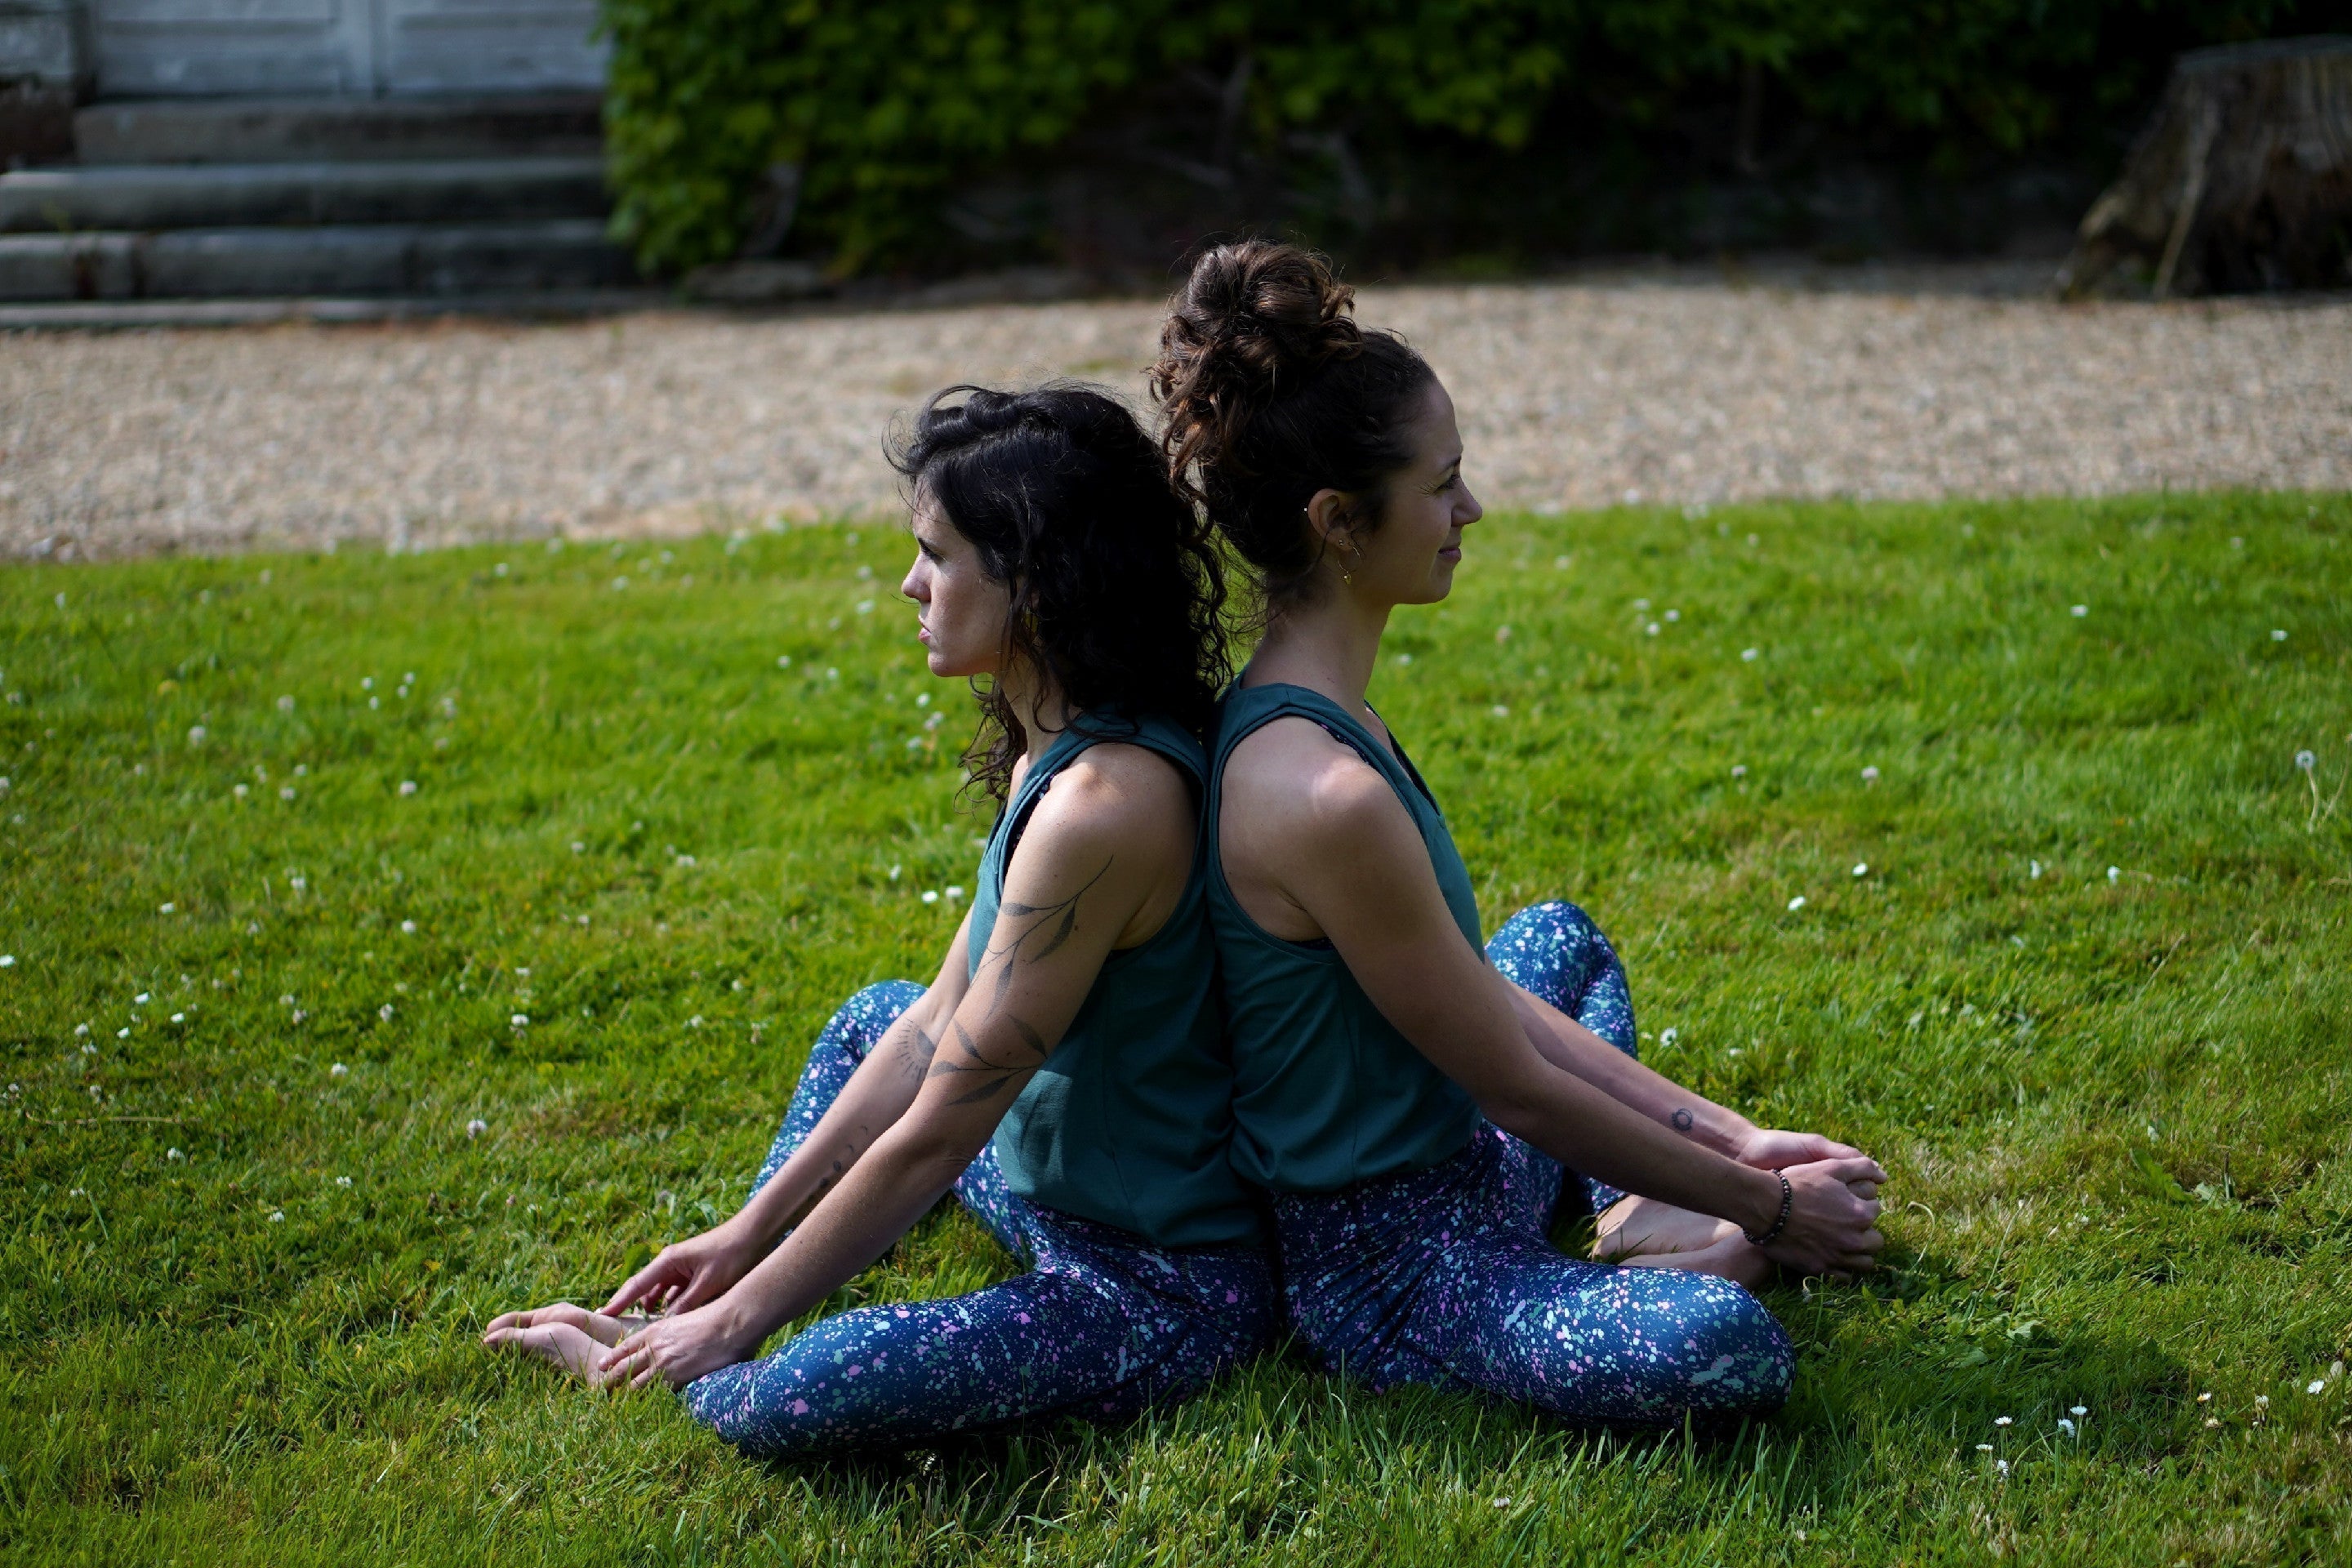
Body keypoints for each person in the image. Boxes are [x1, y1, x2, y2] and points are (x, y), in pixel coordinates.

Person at [1151, 242, 1887, 1426]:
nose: (1469, 510)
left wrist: (1738, 1139)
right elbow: (1514, 1086)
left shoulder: (1322, 712)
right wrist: (1774, 1214)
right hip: (1390, 1268)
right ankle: (1644, 1238)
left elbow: (1487, 1014)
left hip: (1464, 1163)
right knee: (1727, 1349)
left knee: (1556, 938)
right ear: (1339, 520)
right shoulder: (1320, 793)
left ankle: (1629, 1211)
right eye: (1442, 484)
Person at [483, 385, 1273, 1455]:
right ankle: (713, 1314)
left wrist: (733, 1325)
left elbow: (944, 1129)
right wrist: (744, 1243)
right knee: (877, 1017)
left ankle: (662, 1358)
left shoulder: (1106, 808)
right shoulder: (1063, 736)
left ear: (1036, 582)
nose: (911, 583)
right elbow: (935, 1019)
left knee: (806, 1391)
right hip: (1057, 1196)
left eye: (938, 557)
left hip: (1159, 1285)